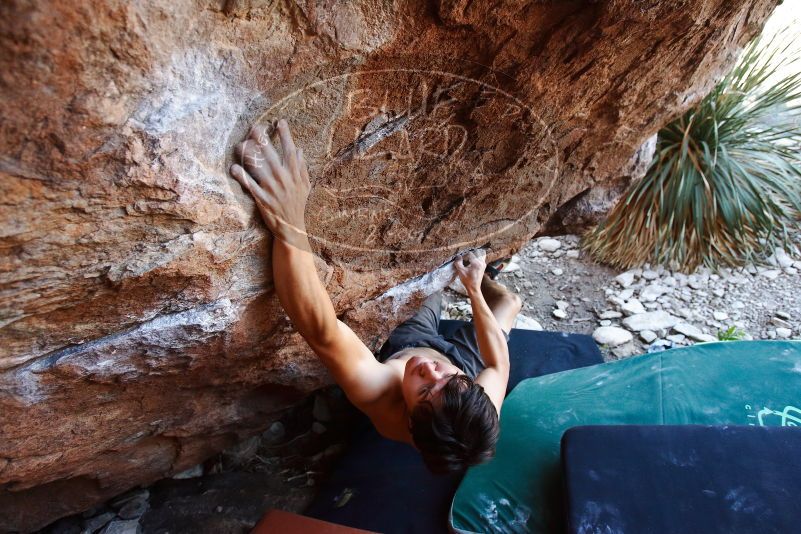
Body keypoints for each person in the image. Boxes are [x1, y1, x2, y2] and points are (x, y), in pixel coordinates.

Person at [229, 120, 523, 473]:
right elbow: (497, 365)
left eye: (425, 391)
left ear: (411, 418)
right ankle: (485, 275)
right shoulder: (478, 406)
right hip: (467, 358)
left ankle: (444, 297)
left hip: (409, 342)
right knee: (509, 304)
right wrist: (474, 289)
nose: (431, 371)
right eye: (448, 379)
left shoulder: (379, 394)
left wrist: (291, 220)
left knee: (418, 288)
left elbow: (321, 330)